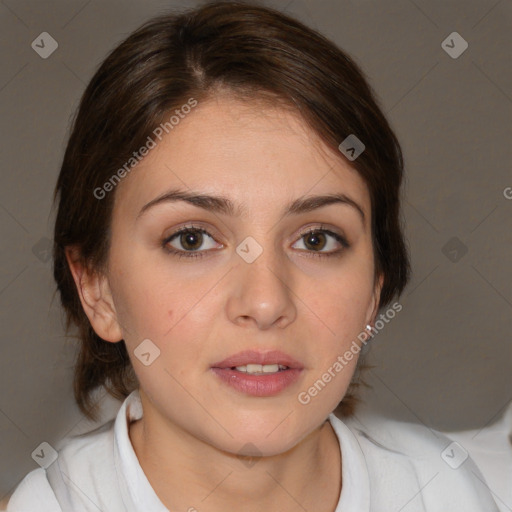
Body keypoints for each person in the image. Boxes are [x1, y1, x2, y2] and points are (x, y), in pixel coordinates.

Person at [5, 1, 499, 510]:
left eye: (316, 239)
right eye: (192, 239)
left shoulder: (449, 490)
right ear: (96, 288)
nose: (265, 303)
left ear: (376, 289)